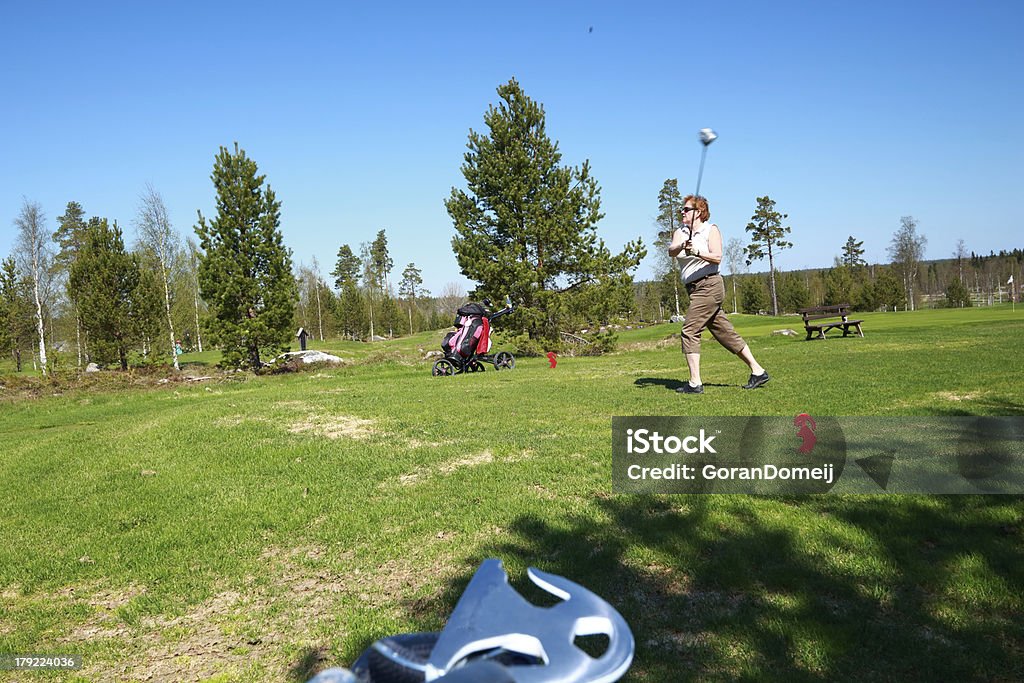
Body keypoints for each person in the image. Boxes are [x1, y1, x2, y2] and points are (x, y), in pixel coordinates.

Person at [668, 195, 769, 394]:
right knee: (725, 333)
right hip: (694, 289)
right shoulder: (680, 232)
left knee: (689, 331)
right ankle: (758, 371)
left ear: (698, 212)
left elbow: (716, 257)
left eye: (686, 209)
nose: (682, 212)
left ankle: (695, 383)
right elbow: (672, 250)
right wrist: (683, 245)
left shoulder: (710, 229)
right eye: (683, 209)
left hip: (710, 286)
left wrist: (697, 251)